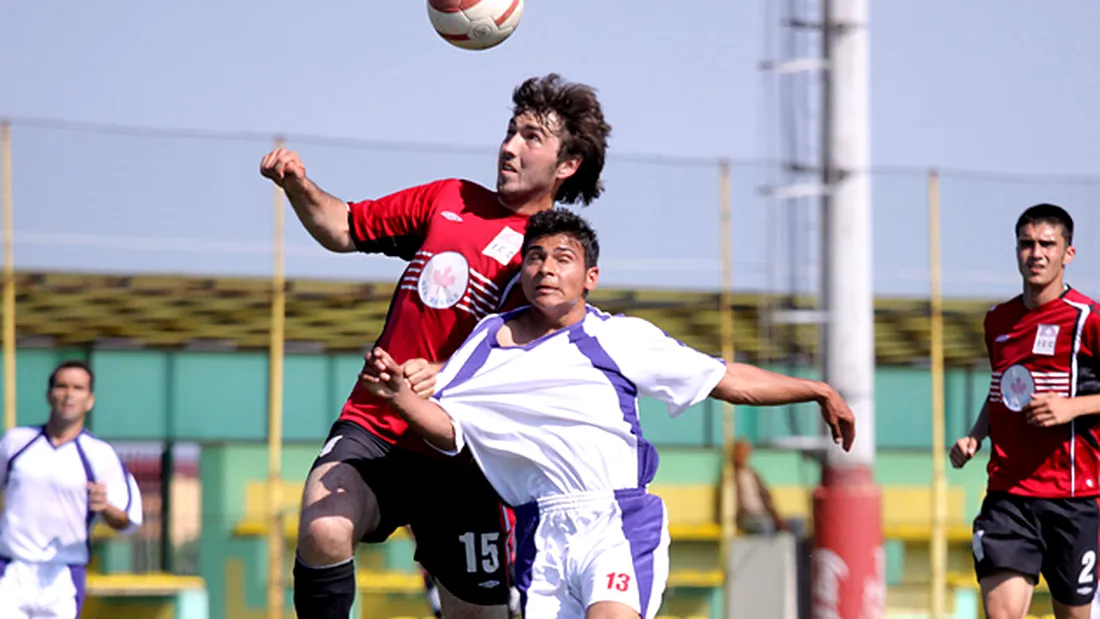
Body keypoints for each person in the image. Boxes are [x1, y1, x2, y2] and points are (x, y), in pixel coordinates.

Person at [359, 208, 856, 619]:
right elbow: (451, 429)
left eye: (562, 258)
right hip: (540, 531)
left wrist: (814, 390)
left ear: (590, 277)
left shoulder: (619, 338)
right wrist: (399, 397)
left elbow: (727, 379)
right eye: (534, 257)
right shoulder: (486, 342)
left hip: (615, 520)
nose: (546, 268)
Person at [259, 73, 612, 619]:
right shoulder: (450, 199)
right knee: (325, 526)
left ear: (566, 166)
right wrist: (299, 186)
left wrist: (446, 372)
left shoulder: (548, 255)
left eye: (531, 139)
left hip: (467, 457)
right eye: (510, 131)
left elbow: (538, 354)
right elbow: (344, 226)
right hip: (378, 425)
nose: (510, 147)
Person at [950, 203, 1100, 619]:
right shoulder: (998, 320)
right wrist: (975, 435)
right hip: (1008, 496)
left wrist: (1075, 407)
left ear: (1068, 253)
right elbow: (1002, 388)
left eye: (1047, 244)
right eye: (1027, 243)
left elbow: (1077, 404)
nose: (1036, 253)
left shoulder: (1088, 320)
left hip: (1075, 499)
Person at [0, 360, 144, 619]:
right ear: (49, 395)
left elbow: (129, 520)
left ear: (90, 400)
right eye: (62, 386)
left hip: (63, 575)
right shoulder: (15, 442)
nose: (69, 395)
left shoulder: (100, 455)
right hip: (11, 568)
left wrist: (106, 509)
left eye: (78, 388)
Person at [732, 440, 786, 536]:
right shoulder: (730, 476)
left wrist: (776, 515)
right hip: (746, 517)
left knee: (796, 523)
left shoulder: (753, 474)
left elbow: (766, 496)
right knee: (765, 525)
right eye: (738, 452)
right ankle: (768, 551)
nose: (741, 455)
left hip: (763, 513)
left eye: (744, 452)